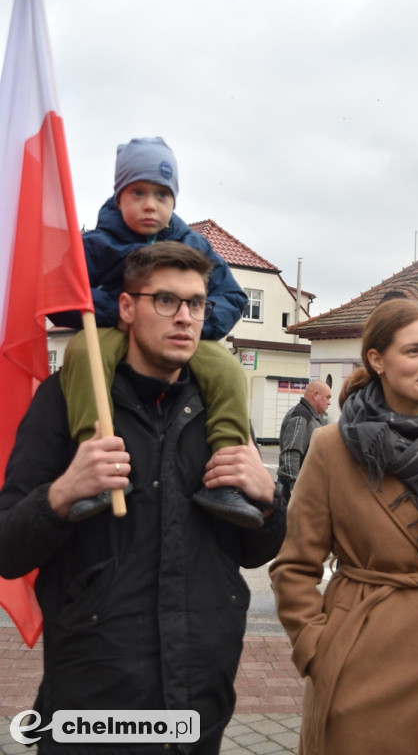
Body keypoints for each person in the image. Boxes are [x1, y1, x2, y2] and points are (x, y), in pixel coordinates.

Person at [0, 242, 286, 755]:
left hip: (200, 695)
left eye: (196, 304)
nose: (185, 318)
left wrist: (268, 501)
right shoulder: (67, 399)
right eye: (166, 301)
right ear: (127, 308)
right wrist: (63, 493)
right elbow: (7, 548)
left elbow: (253, 551)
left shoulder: (217, 404)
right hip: (94, 700)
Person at [269, 298, 418, 755]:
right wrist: (321, 652)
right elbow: (294, 567)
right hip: (358, 667)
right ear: (376, 360)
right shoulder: (331, 447)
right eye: (415, 350)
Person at [52, 136, 262, 529]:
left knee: (227, 369)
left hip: (181, 336)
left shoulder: (193, 244)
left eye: (162, 195)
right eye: (138, 192)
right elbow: (60, 295)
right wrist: (124, 312)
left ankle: (227, 477)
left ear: (174, 201)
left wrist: (195, 324)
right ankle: (94, 455)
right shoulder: (96, 245)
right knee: (82, 351)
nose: (150, 204)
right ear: (119, 197)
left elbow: (231, 295)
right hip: (118, 329)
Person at [276, 380, 331, 502]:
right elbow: (291, 453)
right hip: (293, 490)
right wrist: (294, 487)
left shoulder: (309, 416)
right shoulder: (301, 416)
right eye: (327, 397)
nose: (329, 402)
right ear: (316, 395)